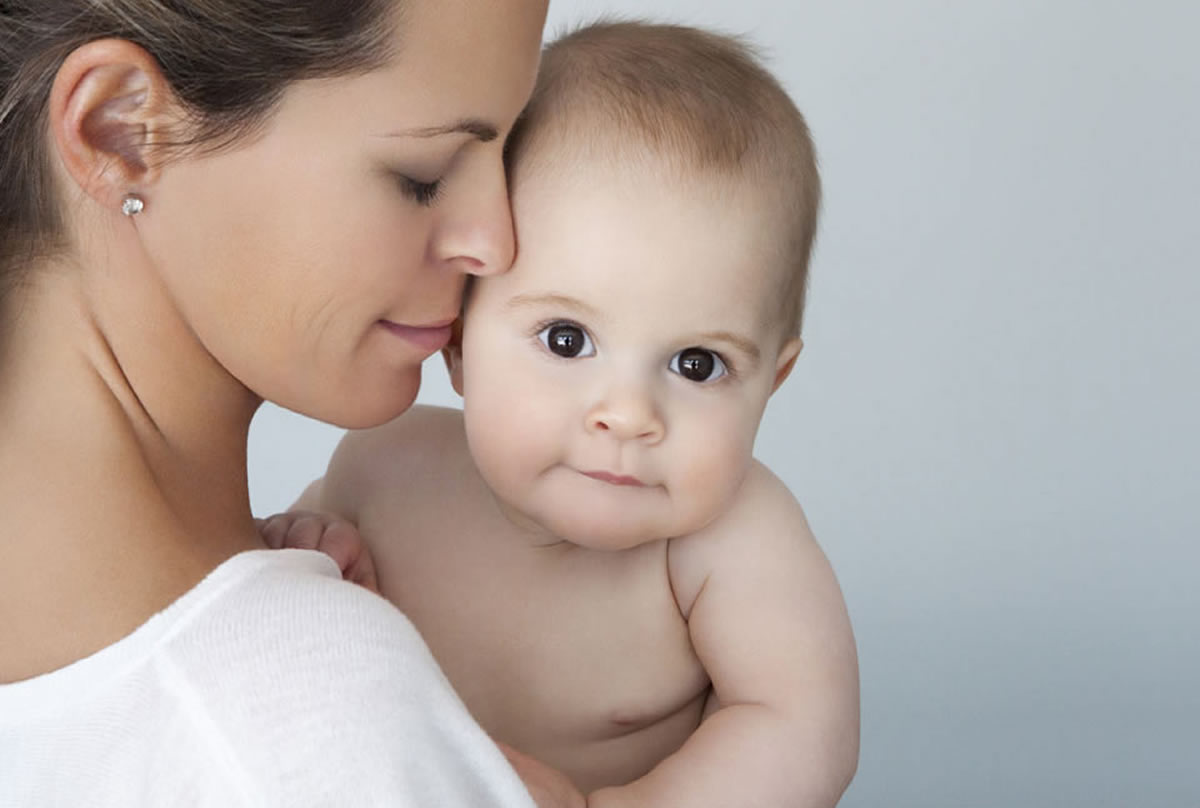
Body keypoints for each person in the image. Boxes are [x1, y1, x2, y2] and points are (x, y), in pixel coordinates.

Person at [0, 1, 580, 806]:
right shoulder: (302, 724)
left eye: (513, 156)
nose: (496, 240)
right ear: (120, 130)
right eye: (426, 175)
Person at [275, 20, 860, 807]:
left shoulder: (730, 541)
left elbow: (802, 727)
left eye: (697, 364)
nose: (626, 414)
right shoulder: (384, 467)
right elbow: (290, 576)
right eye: (566, 338)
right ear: (457, 343)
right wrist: (308, 544)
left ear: (773, 380)